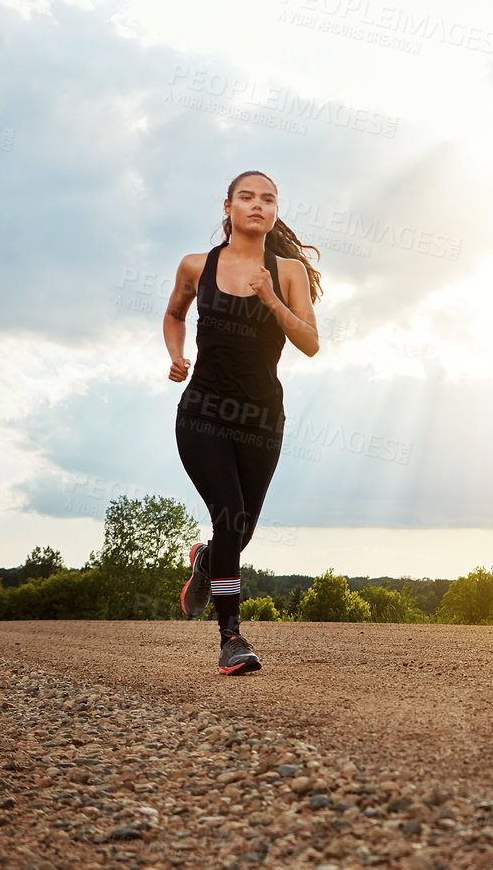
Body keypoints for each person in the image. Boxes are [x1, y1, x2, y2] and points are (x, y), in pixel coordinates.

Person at [164, 170, 322, 674]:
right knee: (230, 513)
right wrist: (176, 356)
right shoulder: (195, 265)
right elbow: (174, 315)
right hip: (202, 413)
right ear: (227, 206)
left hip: (261, 418)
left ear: (275, 211)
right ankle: (231, 638)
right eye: (247, 197)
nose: (258, 204)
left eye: (268, 199)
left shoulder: (289, 270)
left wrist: (271, 297)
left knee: (241, 528)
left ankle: (208, 562)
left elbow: (310, 343)